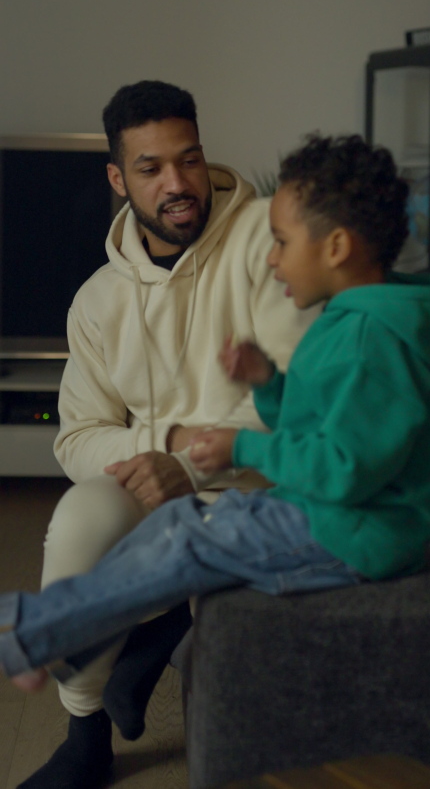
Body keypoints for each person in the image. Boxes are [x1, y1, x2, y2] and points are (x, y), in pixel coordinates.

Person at [1, 134, 430, 750]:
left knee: (188, 539)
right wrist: (269, 384)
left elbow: (344, 469)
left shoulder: (373, 344)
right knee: (174, 530)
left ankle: (32, 633)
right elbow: (321, 423)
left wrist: (241, 450)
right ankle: (71, 641)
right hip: (333, 516)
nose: (272, 260)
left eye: (281, 243)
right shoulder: (350, 321)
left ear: (335, 247)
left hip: (354, 535)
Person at [19, 80, 316, 789]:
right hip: (155, 473)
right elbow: (77, 434)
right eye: (151, 168)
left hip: (263, 474)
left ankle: (155, 632)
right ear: (118, 178)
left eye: (189, 159)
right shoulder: (98, 299)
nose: (179, 184)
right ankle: (84, 734)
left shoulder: (267, 253)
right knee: (78, 521)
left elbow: (309, 398)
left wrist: (194, 457)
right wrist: (155, 452)